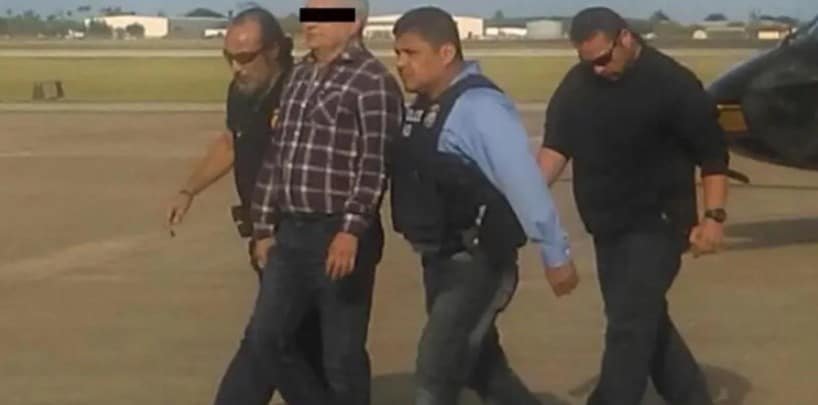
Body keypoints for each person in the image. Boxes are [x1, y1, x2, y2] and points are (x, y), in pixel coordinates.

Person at [537, 7, 729, 405]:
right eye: (588, 61)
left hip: (658, 225)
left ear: (625, 38)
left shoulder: (672, 84)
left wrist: (713, 217)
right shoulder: (578, 84)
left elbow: (713, 155)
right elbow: (555, 149)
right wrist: (524, 198)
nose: (598, 69)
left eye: (603, 59)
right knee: (644, 322)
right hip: (607, 227)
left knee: (627, 325)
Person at [389, 7, 579, 405]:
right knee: (483, 369)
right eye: (398, 53)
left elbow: (523, 183)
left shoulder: (479, 108)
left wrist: (555, 253)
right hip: (439, 258)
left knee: (436, 371)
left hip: (477, 262)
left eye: (411, 53)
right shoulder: (424, 107)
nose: (401, 63)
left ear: (445, 53)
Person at [219, 0, 403, 404]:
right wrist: (263, 227)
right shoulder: (300, 76)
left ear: (354, 22)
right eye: (308, 13)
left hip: (338, 232)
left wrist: (351, 230)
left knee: (341, 356)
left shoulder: (373, 83)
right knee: (267, 340)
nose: (311, 23)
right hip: (291, 233)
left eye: (324, 15)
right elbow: (278, 156)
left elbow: (374, 165)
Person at [161, 8, 324, 404]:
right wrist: (189, 190)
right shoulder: (242, 92)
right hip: (263, 236)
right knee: (297, 340)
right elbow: (232, 142)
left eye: (246, 57)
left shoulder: (301, 91)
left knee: (267, 338)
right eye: (229, 57)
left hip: (298, 235)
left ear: (275, 50)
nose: (236, 67)